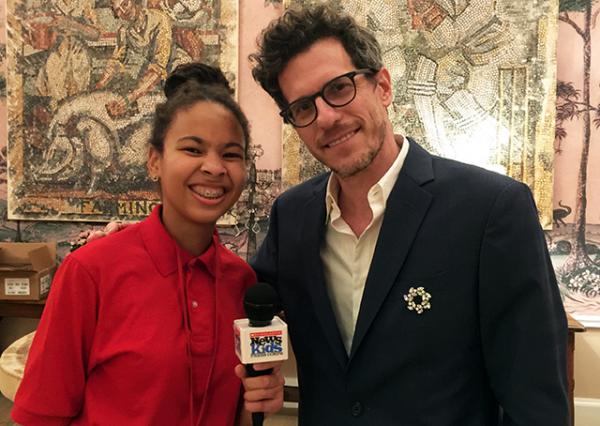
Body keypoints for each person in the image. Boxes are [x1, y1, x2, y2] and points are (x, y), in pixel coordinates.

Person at [248, 3, 569, 425]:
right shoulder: (292, 217)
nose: (326, 116)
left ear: (382, 86)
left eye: (339, 88)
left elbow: (536, 398)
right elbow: (246, 301)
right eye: (303, 107)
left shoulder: (491, 209)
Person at [11, 63, 284, 426]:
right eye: (192, 149)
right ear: (154, 160)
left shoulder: (242, 283)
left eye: (231, 154)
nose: (215, 168)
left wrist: (259, 399)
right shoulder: (90, 272)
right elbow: (40, 416)